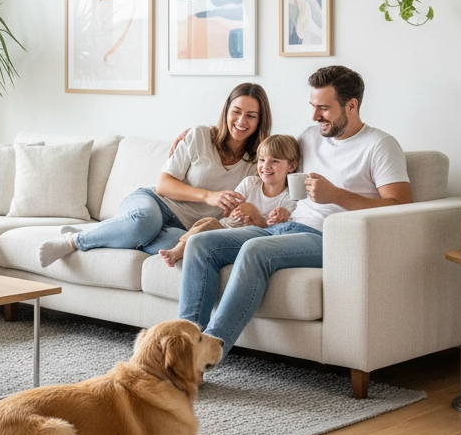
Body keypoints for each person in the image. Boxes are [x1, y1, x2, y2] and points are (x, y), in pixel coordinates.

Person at [177, 65, 412, 344]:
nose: (315, 116)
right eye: (313, 106)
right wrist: (200, 135)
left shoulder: (380, 145)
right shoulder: (310, 137)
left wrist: (336, 195)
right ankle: (184, 344)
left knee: (255, 249)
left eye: (324, 108)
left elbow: (401, 207)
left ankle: (209, 353)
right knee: (200, 244)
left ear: (351, 105)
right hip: (287, 229)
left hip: (330, 239)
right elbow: (271, 156)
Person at [37, 83, 272, 268]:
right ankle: (74, 241)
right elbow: (164, 185)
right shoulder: (199, 136)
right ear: (226, 111)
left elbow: (280, 169)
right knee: (145, 222)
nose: (241, 121)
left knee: (187, 246)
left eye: (251, 115)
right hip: (154, 203)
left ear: (260, 120)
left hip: (186, 228)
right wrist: (208, 196)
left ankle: (113, 232)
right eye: (236, 111)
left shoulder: (259, 162)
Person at [159, 133, 299, 267]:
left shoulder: (289, 199)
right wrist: (237, 213)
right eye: (262, 160)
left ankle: (184, 248)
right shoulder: (250, 183)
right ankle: (179, 249)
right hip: (226, 229)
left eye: (274, 161)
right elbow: (227, 214)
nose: (265, 166)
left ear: (291, 166)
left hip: (245, 240)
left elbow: (272, 236)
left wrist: (256, 216)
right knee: (208, 222)